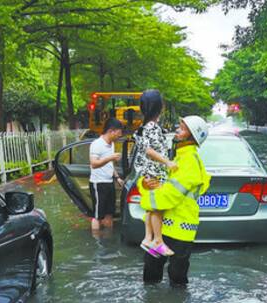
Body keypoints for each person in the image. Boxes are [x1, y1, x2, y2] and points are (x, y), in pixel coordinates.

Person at [139, 115, 211, 285]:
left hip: (179, 229)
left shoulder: (189, 162)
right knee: (152, 274)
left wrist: (147, 202)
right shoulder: (174, 157)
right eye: (179, 126)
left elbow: (169, 195)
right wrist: (145, 183)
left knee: (176, 278)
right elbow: (154, 183)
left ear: (192, 136)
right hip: (163, 228)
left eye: (183, 128)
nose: (177, 130)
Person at [134, 90, 178, 256]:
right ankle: (158, 241)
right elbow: (149, 150)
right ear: (159, 107)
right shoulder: (152, 127)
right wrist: (167, 162)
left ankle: (148, 239)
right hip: (155, 173)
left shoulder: (144, 127)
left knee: (151, 209)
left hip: (149, 173)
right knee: (157, 208)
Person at [89, 118, 125, 231]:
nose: (119, 137)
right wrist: (110, 157)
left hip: (109, 182)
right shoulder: (97, 144)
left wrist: (117, 177)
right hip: (98, 183)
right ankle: (97, 242)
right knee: (97, 216)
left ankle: (108, 240)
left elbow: (110, 165)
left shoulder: (112, 144)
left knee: (110, 213)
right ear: (111, 131)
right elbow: (93, 164)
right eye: (118, 134)